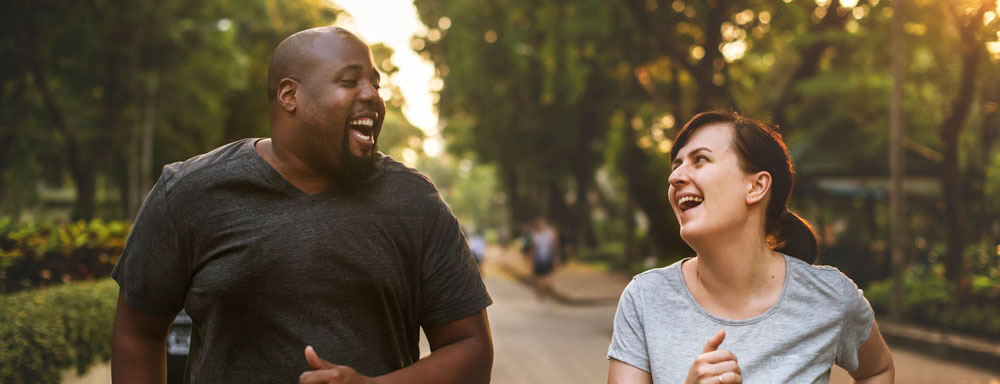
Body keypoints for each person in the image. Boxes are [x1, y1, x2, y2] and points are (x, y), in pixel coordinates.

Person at [111, 27, 493, 384]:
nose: (372, 95)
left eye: (375, 83)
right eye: (349, 81)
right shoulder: (188, 193)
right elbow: (138, 334)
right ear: (289, 95)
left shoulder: (415, 202)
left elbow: (471, 347)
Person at [607, 111, 894, 383]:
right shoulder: (645, 300)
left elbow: (876, 370)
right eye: (677, 164)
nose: (675, 177)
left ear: (756, 187)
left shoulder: (830, 297)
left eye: (700, 160)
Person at [529, 217, 560, 303]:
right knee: (538, 281)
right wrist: (532, 262)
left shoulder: (550, 234)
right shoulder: (535, 235)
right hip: (538, 260)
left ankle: (546, 295)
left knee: (548, 281)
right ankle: (540, 297)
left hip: (548, 260)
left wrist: (556, 259)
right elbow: (532, 250)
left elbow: (555, 248)